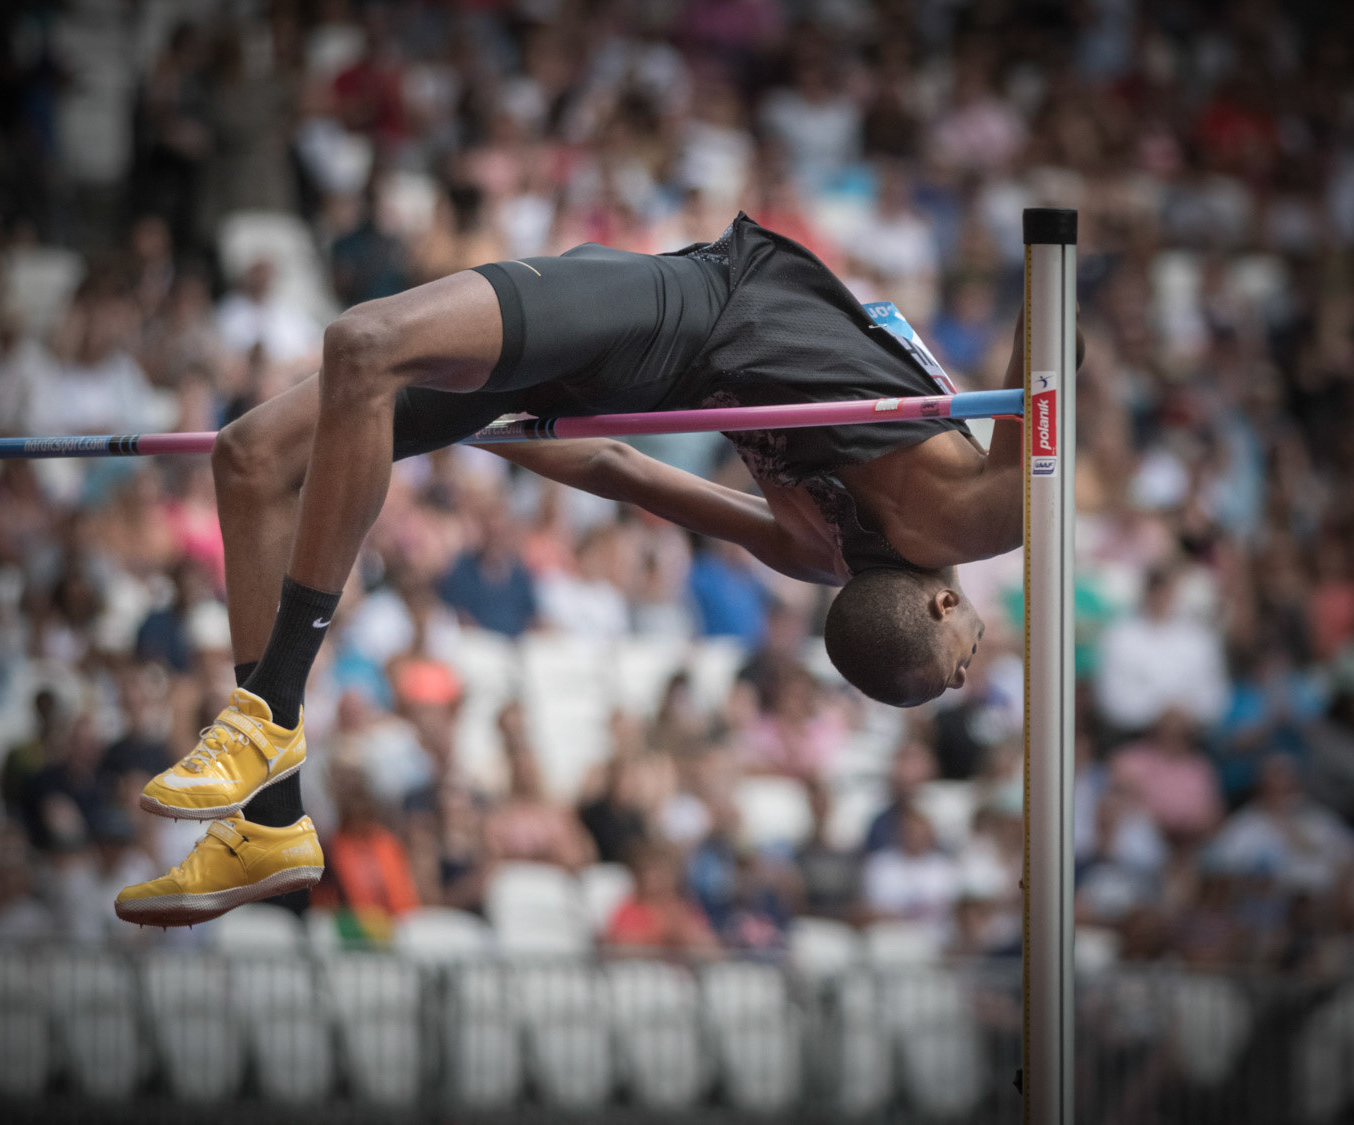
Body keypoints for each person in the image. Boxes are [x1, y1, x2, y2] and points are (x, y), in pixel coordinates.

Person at [117, 212, 1062, 924]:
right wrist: (467, 427)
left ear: (941, 604)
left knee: (365, 345)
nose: (973, 662)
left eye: (958, 665)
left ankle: (266, 713)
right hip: (633, 341)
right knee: (250, 458)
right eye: (964, 670)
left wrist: (1053, 242)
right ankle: (271, 820)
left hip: (676, 321)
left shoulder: (950, 527)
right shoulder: (819, 549)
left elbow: (1051, 336)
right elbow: (615, 465)